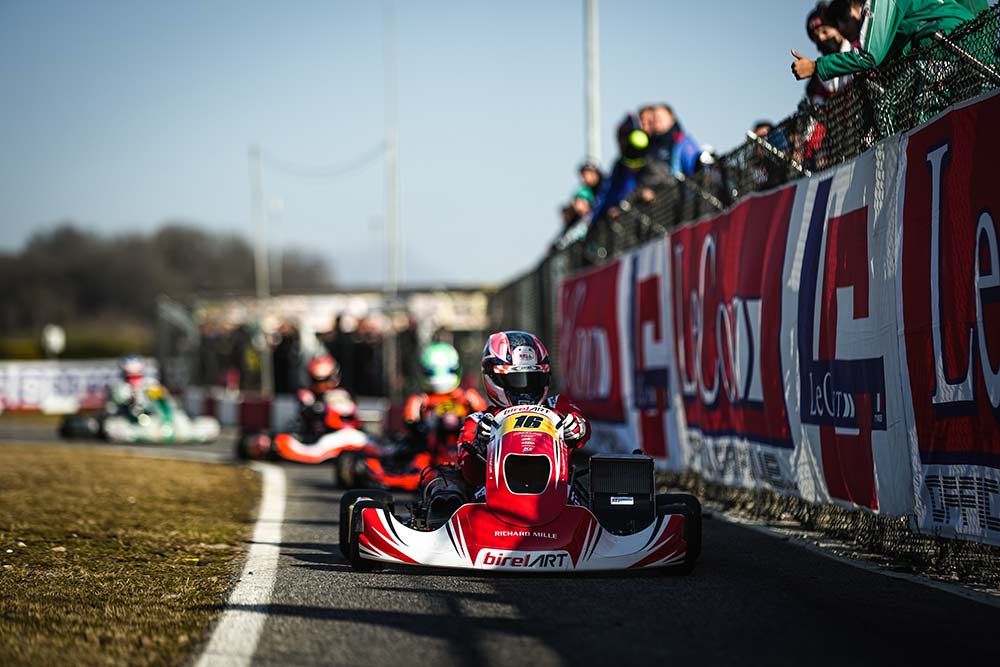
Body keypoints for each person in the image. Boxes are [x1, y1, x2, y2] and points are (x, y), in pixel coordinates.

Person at [454, 331, 590, 490]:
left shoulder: (557, 406)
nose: (525, 389)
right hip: (497, 495)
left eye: (532, 380)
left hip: (557, 492)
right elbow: (470, 475)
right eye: (516, 380)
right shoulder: (478, 421)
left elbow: (583, 426)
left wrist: (577, 427)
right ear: (493, 376)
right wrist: (479, 444)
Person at [791, 0, 974, 82]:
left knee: (923, 112)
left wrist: (816, 67)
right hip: (953, 39)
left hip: (950, 41)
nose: (843, 29)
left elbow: (868, 56)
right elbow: (899, 42)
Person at [402, 342, 486, 458]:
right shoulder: (421, 400)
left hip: (463, 451)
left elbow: (484, 417)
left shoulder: (467, 396)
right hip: (430, 454)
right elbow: (411, 424)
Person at [296, 355, 360, 441]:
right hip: (315, 438)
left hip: (342, 433)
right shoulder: (307, 395)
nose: (321, 384)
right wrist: (314, 408)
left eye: (325, 380)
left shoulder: (342, 393)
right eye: (318, 380)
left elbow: (351, 412)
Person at [804, 1, 854, 104]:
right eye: (816, 37)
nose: (821, 38)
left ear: (837, 28)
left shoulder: (858, 51)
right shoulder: (818, 79)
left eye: (825, 32)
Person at [644, 103, 701, 178]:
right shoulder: (649, 143)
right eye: (654, 118)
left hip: (675, 184)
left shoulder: (682, 142)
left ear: (672, 118)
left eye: (660, 117)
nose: (656, 120)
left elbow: (695, 172)